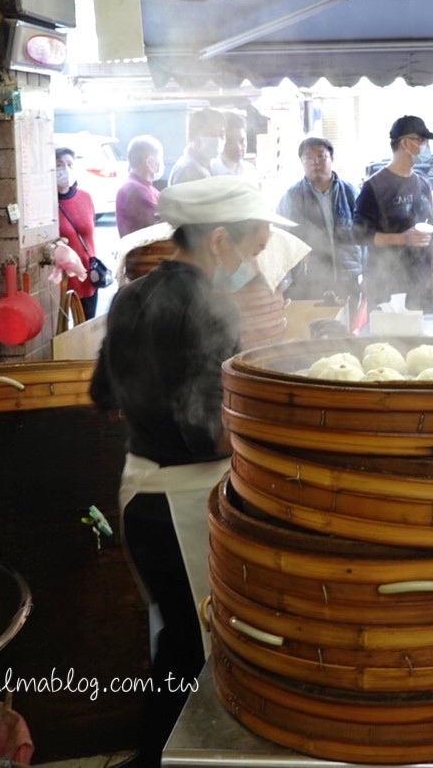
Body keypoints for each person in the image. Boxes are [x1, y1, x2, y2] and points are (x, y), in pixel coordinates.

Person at [88, 178, 294, 765]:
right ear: (221, 240)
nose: (253, 265)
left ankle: (153, 754)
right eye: (253, 249)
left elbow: (102, 391)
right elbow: (209, 431)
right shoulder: (212, 306)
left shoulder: (129, 296)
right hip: (184, 506)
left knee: (173, 636)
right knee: (198, 647)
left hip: (138, 493)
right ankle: (165, 757)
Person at [354, 115, 433, 310]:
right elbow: (359, 234)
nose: (426, 146)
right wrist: (402, 239)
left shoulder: (423, 183)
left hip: (421, 283)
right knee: (389, 339)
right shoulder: (374, 186)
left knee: (424, 338)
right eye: (421, 140)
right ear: (405, 143)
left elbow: (432, 233)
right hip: (387, 285)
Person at [276, 136, 361, 305]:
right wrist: (285, 282)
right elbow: (280, 239)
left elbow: (364, 235)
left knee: (348, 329)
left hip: (348, 281)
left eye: (321, 156)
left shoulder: (350, 192)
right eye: (308, 158)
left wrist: (366, 274)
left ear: (332, 158)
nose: (315, 162)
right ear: (301, 162)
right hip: (309, 284)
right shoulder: (292, 197)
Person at [55, 146, 101, 319]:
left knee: (87, 329)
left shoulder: (85, 197)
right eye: (59, 164)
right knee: (63, 335)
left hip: (88, 277)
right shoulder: (47, 204)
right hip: (62, 281)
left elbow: (90, 233)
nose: (65, 169)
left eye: (69, 164)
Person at [115, 135, 164, 237]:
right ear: (149, 161)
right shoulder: (135, 190)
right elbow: (161, 227)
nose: (160, 162)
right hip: (142, 252)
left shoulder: (145, 187)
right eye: (160, 157)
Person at [167, 107, 226, 186]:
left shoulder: (207, 165)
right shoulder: (189, 170)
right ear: (191, 135)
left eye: (221, 135)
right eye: (209, 134)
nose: (217, 140)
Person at [211, 109, 259, 182]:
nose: (239, 148)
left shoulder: (250, 171)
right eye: (229, 142)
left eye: (242, 141)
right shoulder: (211, 172)